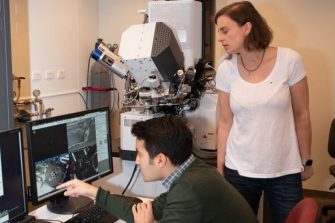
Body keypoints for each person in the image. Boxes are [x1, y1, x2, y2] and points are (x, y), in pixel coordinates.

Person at [214, 1, 313, 223]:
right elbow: (225, 121)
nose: (220, 38)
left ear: (247, 27)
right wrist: (220, 165)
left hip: (284, 171)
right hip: (238, 170)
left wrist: (306, 161)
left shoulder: (290, 60)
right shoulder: (226, 69)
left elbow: (302, 115)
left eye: (225, 30)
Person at [57, 117, 258, 223]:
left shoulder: (188, 189)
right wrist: (92, 191)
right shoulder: (194, 171)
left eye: (140, 154)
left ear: (160, 159)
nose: (136, 161)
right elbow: (146, 210)